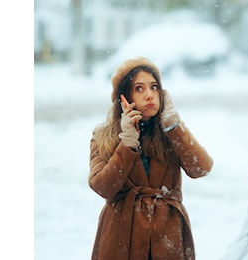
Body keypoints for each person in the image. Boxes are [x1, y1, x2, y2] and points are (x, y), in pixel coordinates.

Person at [88, 56, 213, 260]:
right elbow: (103, 187)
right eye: (139, 88)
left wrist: (174, 127)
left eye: (154, 87)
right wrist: (127, 143)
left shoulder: (170, 132)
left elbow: (202, 168)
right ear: (123, 97)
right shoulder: (103, 135)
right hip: (121, 235)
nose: (149, 95)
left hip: (166, 235)